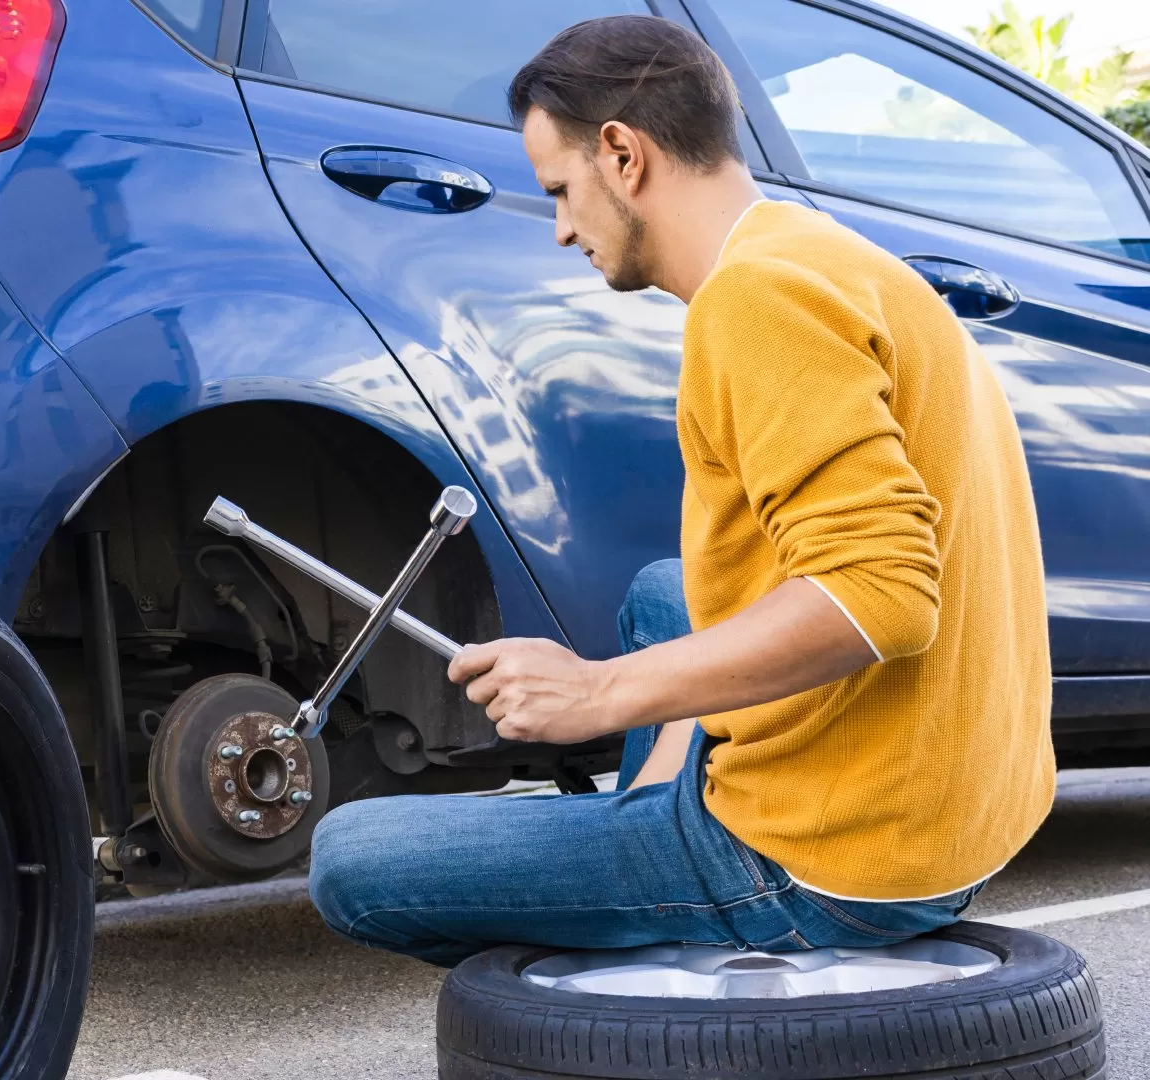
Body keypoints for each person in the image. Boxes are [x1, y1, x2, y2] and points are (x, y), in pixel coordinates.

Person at [306, 14, 1054, 966]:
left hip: (839, 859)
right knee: (668, 590)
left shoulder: (756, 301)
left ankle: (670, 916)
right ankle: (652, 821)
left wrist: (601, 694)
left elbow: (882, 595)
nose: (565, 228)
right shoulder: (826, 254)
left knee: (349, 858)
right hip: (965, 808)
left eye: (562, 191)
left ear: (622, 154)